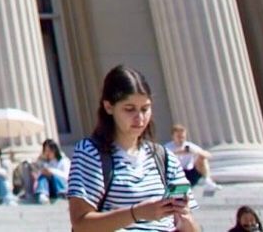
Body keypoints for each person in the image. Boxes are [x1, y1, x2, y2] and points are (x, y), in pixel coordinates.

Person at [67, 64, 198, 231]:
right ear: (108, 107)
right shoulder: (91, 152)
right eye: (129, 109)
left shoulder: (164, 157)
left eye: (145, 109)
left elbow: (192, 225)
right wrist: (136, 213)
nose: (140, 118)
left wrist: (186, 220)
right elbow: (80, 223)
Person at [166, 125, 216, 196]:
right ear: (173, 137)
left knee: (202, 157)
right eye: (178, 137)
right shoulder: (167, 147)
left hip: (190, 173)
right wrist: (177, 152)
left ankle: (208, 181)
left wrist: (195, 151)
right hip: (175, 174)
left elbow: (209, 155)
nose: (181, 139)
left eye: (183, 137)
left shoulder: (189, 146)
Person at [27, 136, 70, 202]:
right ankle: (42, 194)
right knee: (43, 176)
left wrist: (52, 172)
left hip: (63, 187)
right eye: (45, 151)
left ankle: (61, 194)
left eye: (49, 151)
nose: (47, 153)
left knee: (53, 176)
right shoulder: (46, 163)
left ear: (55, 150)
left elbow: (66, 176)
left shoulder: (64, 161)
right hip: (51, 189)